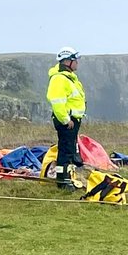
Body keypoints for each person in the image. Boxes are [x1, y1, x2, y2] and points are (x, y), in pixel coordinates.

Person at [47, 46, 86, 190]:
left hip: (73, 120)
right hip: (67, 121)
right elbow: (57, 101)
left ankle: (67, 178)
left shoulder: (69, 78)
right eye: (75, 60)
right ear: (67, 61)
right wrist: (65, 120)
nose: (77, 63)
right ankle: (63, 181)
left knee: (69, 150)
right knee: (66, 151)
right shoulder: (59, 79)